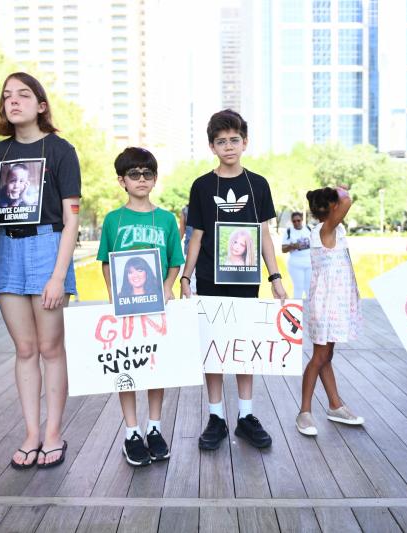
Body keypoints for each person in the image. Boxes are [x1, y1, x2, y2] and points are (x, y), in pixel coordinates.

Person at [0, 72, 81, 468]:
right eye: (7, 95)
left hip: (48, 245)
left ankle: (54, 433)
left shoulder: (61, 150)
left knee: (49, 347)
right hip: (9, 246)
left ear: (41, 105)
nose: (14, 101)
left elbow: (71, 219)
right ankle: (31, 433)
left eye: (23, 94)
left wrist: (58, 275)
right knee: (24, 349)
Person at [180, 109, 287, 450]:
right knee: (213, 348)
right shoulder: (201, 185)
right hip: (210, 279)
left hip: (246, 279)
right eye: (221, 141)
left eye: (234, 140)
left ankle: (245, 416)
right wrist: (186, 276)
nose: (228, 146)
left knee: (244, 348)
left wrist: (275, 277)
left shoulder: (257, 185)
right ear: (212, 146)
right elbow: (195, 236)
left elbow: (264, 236)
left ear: (245, 142)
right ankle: (216, 417)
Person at [97, 147, 183, 466]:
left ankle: (155, 428)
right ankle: (132, 431)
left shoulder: (166, 219)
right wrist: (111, 294)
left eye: (148, 173)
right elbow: (106, 261)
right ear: (122, 181)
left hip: (157, 307)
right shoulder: (113, 219)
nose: (142, 179)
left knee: (154, 367)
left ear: (155, 178)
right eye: (134, 174)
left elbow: (175, 260)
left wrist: (166, 287)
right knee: (127, 368)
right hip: (125, 309)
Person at [296, 187, 364, 436]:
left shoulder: (331, 230)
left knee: (326, 355)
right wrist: (339, 192)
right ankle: (304, 412)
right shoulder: (326, 230)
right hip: (327, 306)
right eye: (337, 203)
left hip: (334, 303)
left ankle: (335, 404)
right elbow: (348, 200)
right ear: (332, 208)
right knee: (319, 357)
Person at [281, 211, 312, 299]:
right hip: (295, 265)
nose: (296, 223)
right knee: (298, 288)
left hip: (309, 264)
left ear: (302, 220)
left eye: (298, 220)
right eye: (294, 221)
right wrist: (292, 246)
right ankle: (296, 309)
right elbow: (283, 249)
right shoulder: (289, 231)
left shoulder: (308, 229)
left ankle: (310, 310)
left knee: (309, 288)